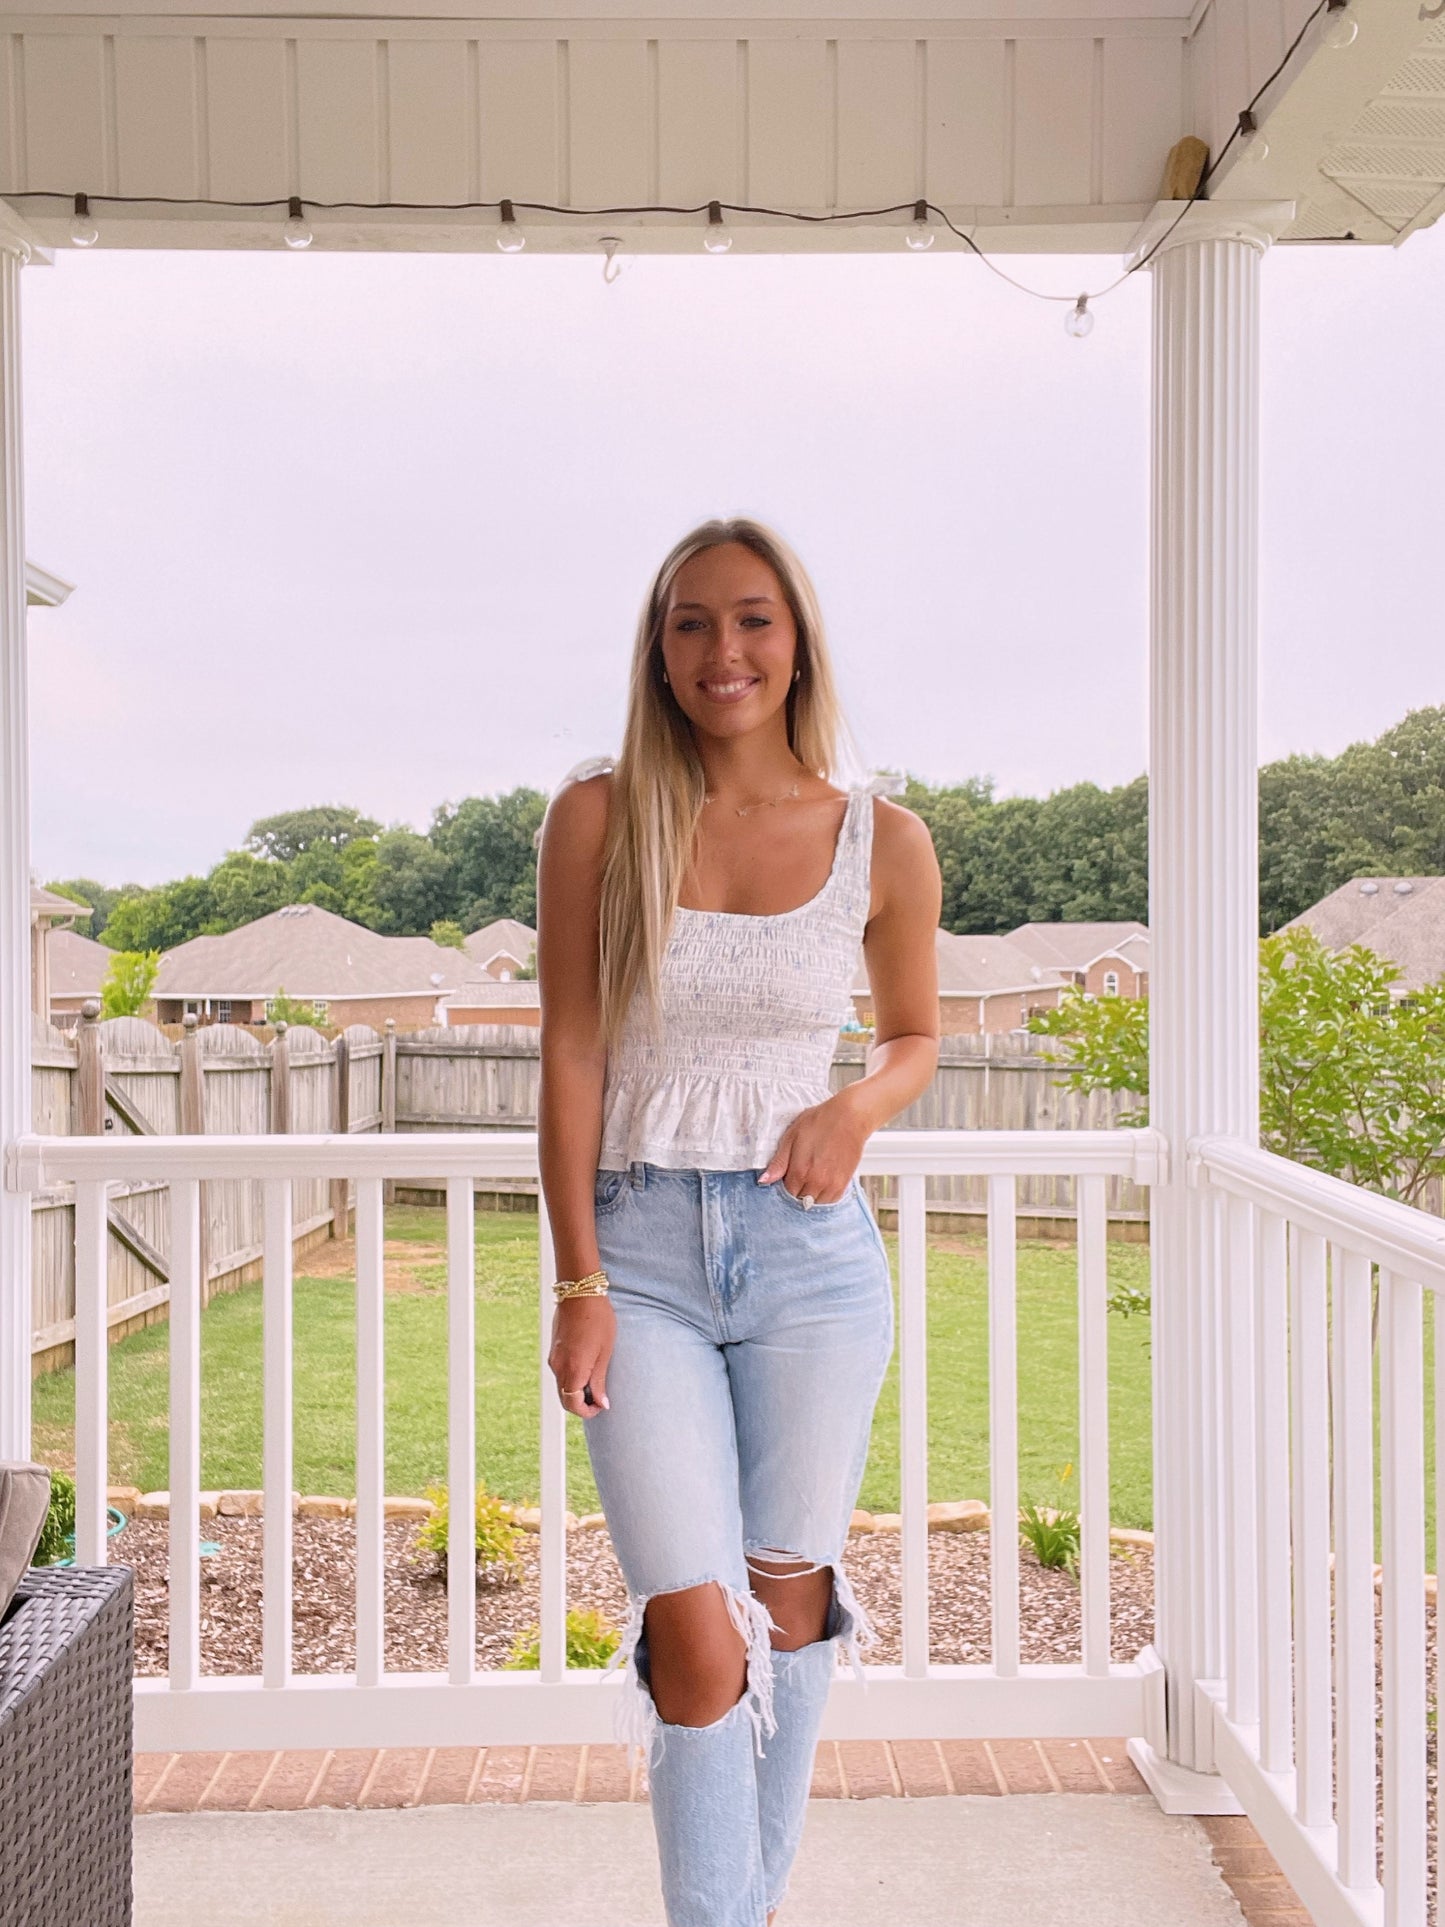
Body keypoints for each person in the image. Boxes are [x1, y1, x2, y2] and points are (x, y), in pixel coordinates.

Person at [535, 517, 941, 1927]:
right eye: (693, 623)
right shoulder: (599, 812)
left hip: (810, 1262)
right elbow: (572, 1050)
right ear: (660, 649)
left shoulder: (880, 837)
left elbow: (913, 1037)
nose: (725, 652)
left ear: (798, 639)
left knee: (785, 1596)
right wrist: (576, 1273)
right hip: (637, 1252)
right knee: (694, 1630)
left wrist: (853, 1110)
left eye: (753, 619)